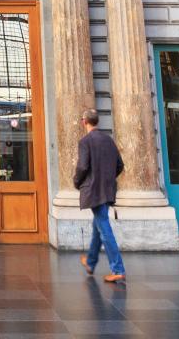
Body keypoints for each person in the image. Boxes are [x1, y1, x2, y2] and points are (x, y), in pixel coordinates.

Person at [73, 108, 126, 283]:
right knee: (98, 223)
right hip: (107, 189)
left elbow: (82, 167)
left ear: (84, 122)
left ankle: (117, 269)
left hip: (94, 190)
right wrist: (108, 179)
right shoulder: (108, 140)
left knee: (104, 228)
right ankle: (90, 261)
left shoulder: (85, 142)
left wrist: (77, 182)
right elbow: (119, 165)